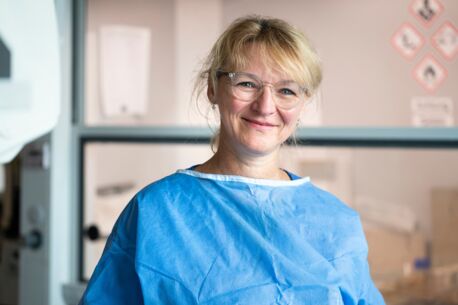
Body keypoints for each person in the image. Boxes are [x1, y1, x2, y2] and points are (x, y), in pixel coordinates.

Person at [79, 15, 385, 305]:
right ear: (213, 88)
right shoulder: (157, 211)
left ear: (302, 105)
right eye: (247, 84)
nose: (265, 106)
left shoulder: (336, 222)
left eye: (286, 90)